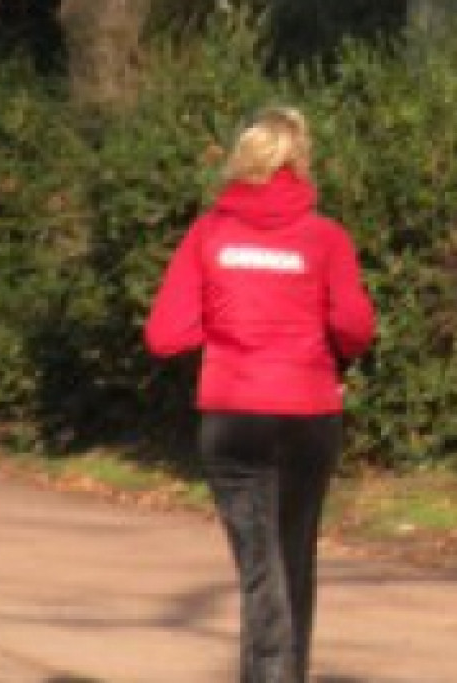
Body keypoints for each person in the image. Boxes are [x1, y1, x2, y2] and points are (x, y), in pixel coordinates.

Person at [145, 106, 376, 683]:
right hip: (307, 412)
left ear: (241, 160)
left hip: (233, 415)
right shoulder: (325, 238)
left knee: (258, 562)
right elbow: (355, 327)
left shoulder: (208, 235)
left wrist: (225, 330)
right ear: (301, 161)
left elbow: (166, 334)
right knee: (293, 555)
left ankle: (269, 674)